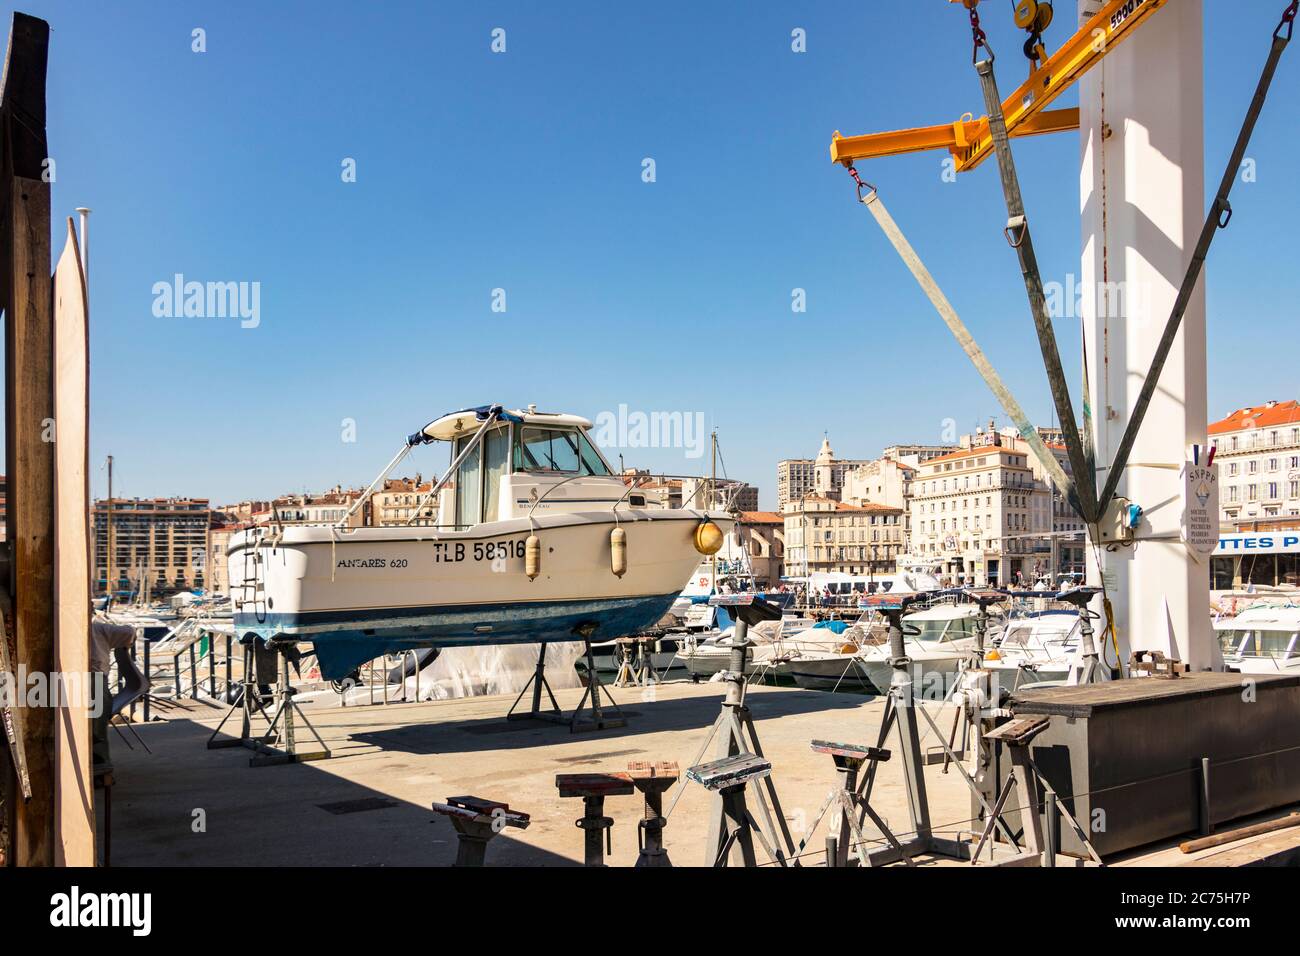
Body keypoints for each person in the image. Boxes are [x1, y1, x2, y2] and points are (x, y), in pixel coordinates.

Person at [89, 619, 137, 768]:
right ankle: (101, 765)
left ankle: (99, 765)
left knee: (95, 723)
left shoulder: (96, 628)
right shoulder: (97, 628)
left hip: (73, 681)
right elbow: (130, 632)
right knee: (97, 727)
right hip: (94, 681)